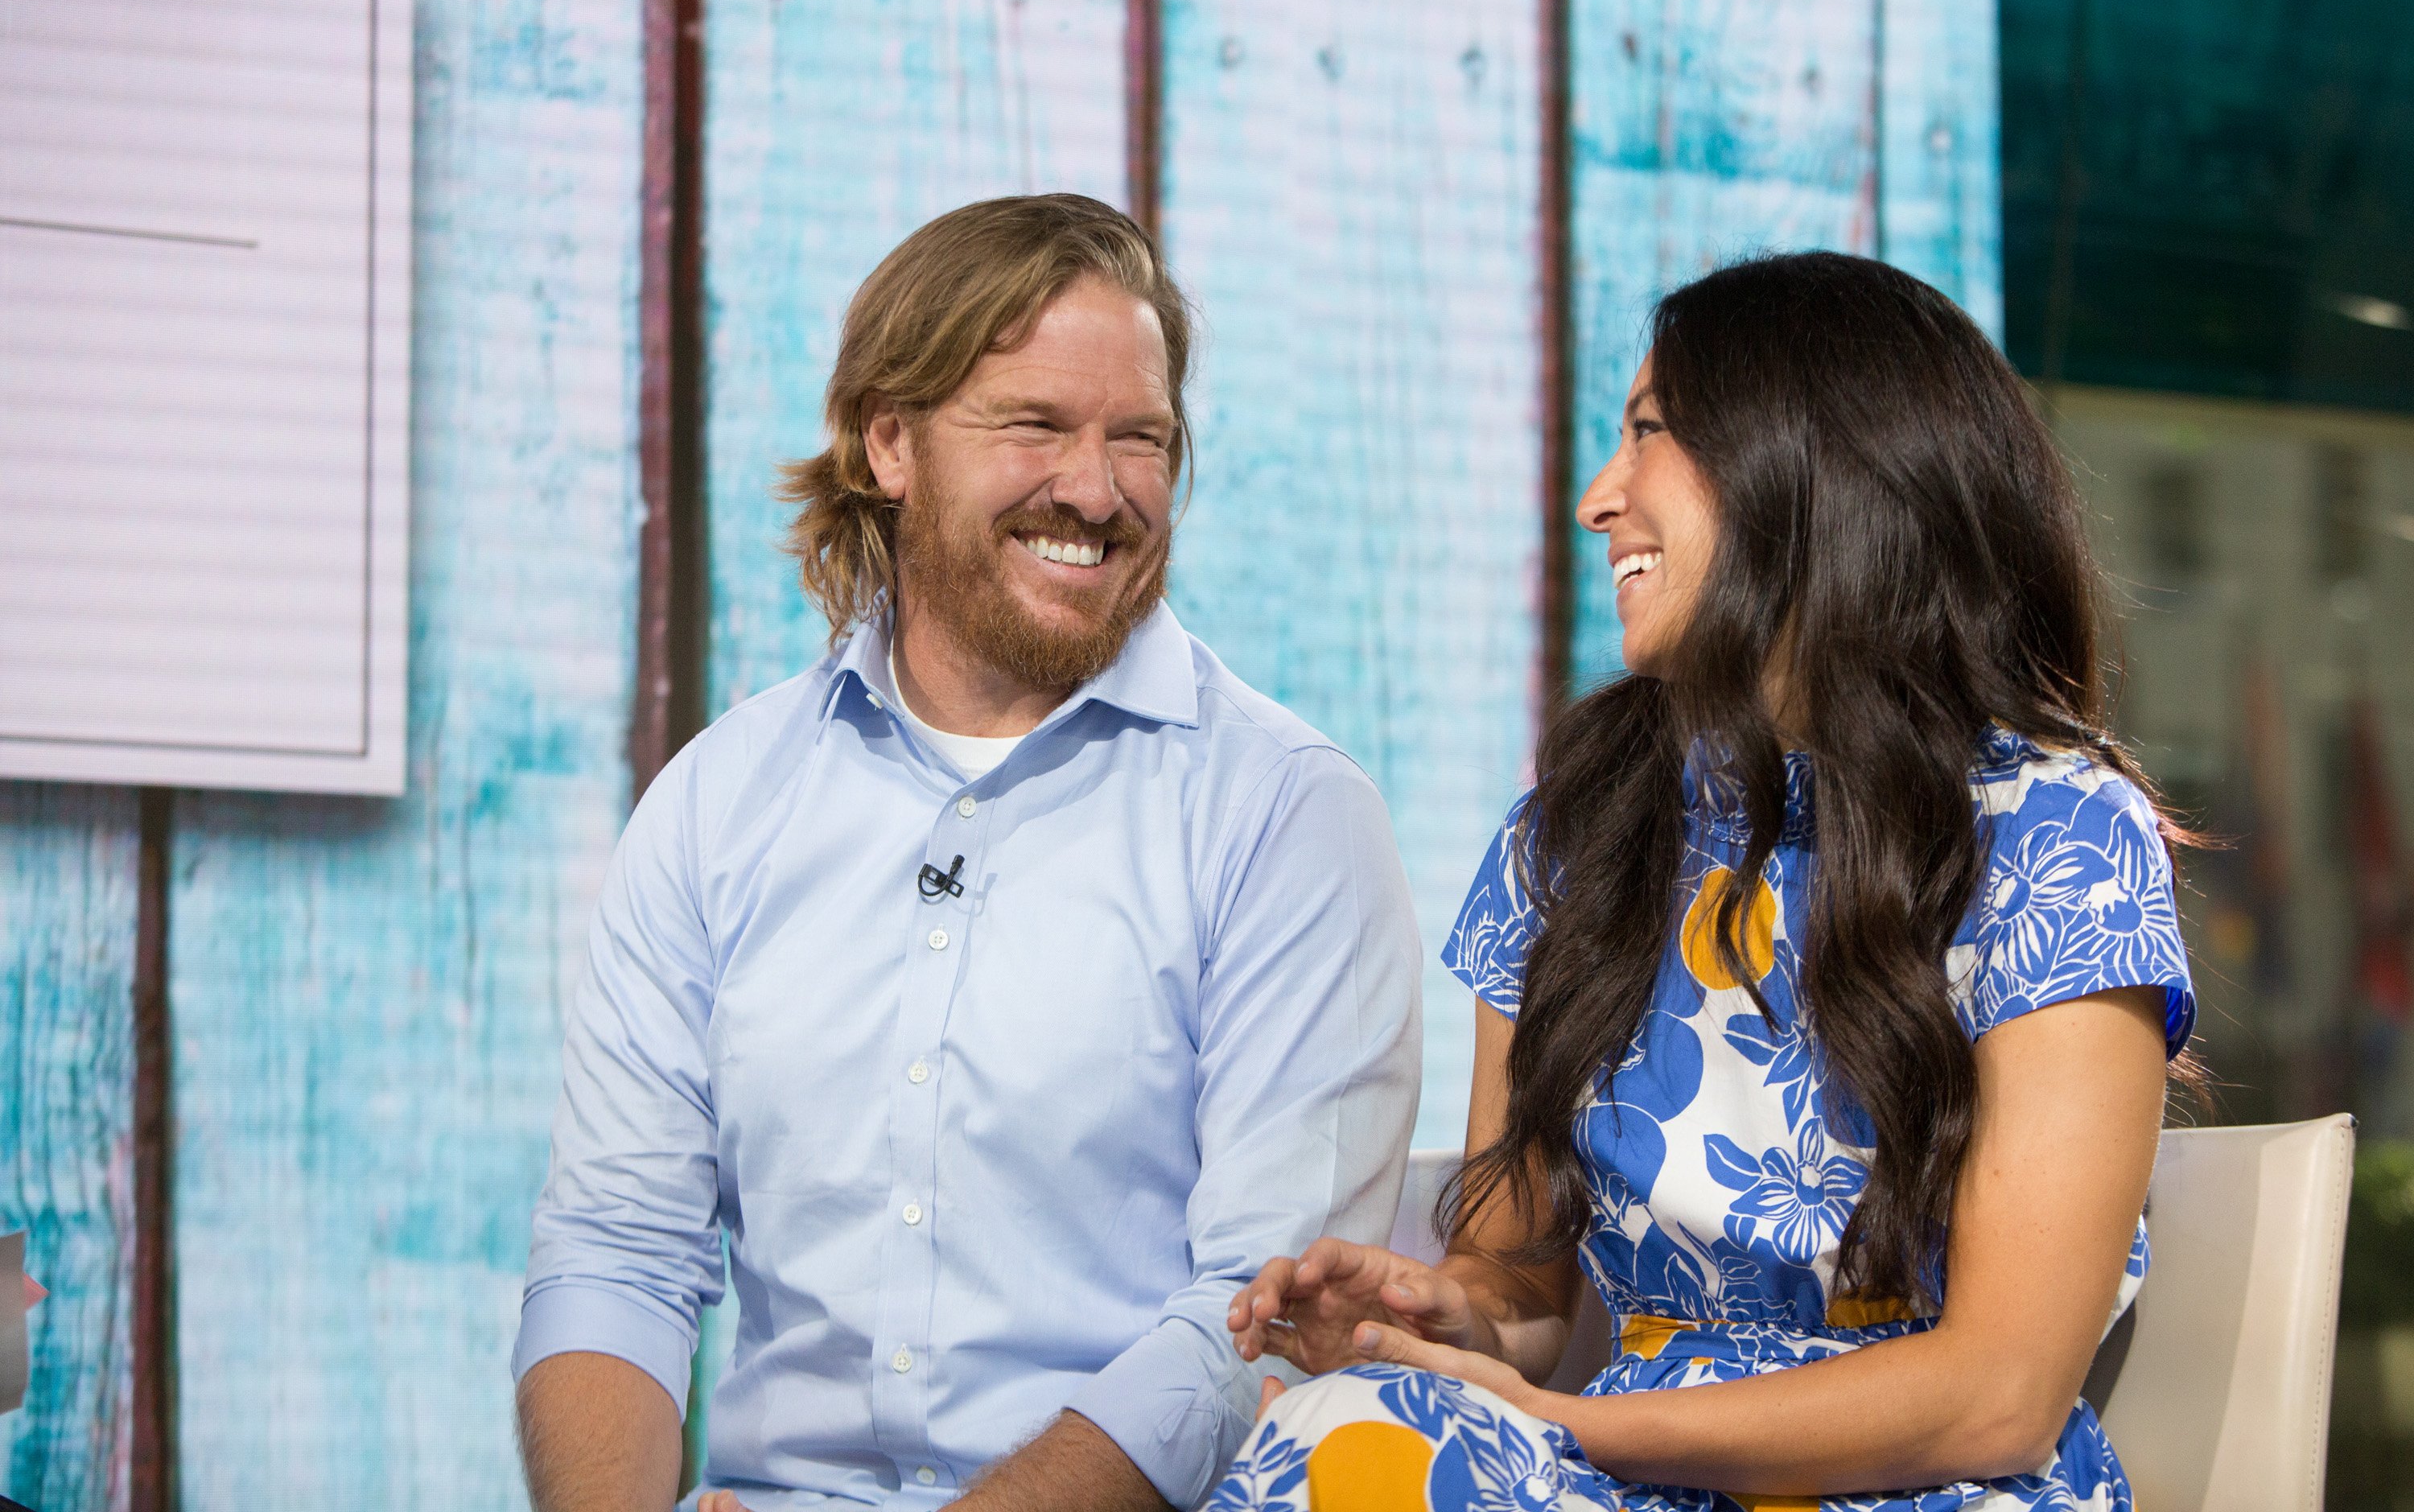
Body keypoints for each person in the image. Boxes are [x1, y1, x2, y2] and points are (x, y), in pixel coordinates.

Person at [1218, 251, 2195, 1512]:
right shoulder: (1574, 835)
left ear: (1810, 466)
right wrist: (1434, 1315)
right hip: (1615, 1468)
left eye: (1647, 433)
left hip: (1927, 1484)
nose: (1596, 497)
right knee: (1342, 1434)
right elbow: (1519, 1285)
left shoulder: (2058, 831)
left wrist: (1573, 1425)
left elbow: (1998, 1395)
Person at [513, 194, 1423, 1512]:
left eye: (1141, 440)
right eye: (1037, 426)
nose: (1098, 492)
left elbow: (1252, 1321)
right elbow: (617, 1253)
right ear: (892, 440)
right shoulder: (718, 804)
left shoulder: (1288, 815)